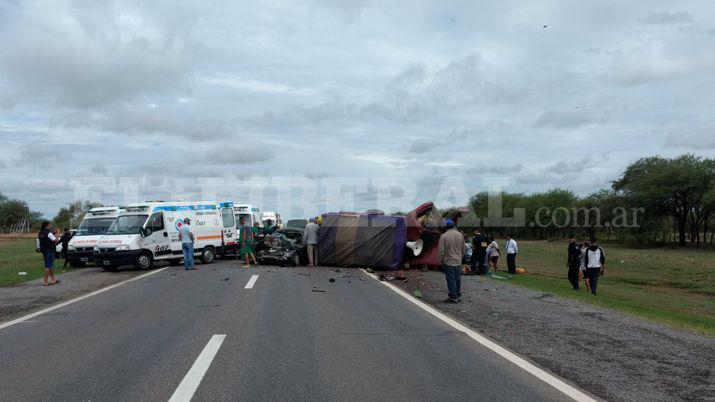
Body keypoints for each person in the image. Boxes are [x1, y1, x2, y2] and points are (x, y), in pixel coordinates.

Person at [438, 219, 466, 303]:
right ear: (453, 226)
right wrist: (460, 256)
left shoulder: (444, 236)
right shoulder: (460, 235)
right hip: (458, 261)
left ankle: (453, 297)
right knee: (457, 279)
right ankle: (457, 294)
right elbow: (464, 248)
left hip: (448, 261)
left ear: (445, 227)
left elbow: (441, 251)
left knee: (451, 279)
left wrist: (441, 260)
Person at [37, 221, 60, 286]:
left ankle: (53, 280)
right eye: (49, 225)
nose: (50, 226)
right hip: (50, 251)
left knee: (50, 265)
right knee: (48, 266)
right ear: (47, 225)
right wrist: (58, 233)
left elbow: (45, 239)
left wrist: (53, 233)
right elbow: (56, 240)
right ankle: (45, 281)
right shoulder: (48, 233)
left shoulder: (40, 233)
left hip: (44, 251)